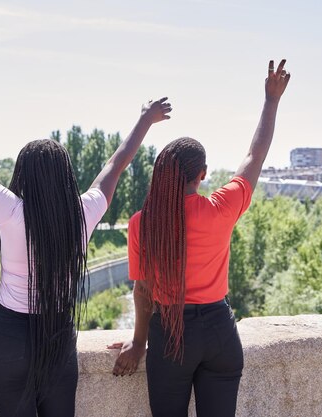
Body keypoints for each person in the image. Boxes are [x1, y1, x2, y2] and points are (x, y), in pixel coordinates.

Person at [0, 51, 172, 417]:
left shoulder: (10, 211)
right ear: (66, 176)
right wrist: (144, 120)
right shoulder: (83, 213)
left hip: (7, 338)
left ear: (23, 175)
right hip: (57, 337)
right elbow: (115, 165)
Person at [109, 59, 290, 417]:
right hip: (221, 333)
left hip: (171, 335)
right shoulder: (222, 207)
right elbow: (255, 155)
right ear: (203, 174)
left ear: (160, 173)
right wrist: (271, 100)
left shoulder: (143, 223)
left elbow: (143, 291)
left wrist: (139, 343)